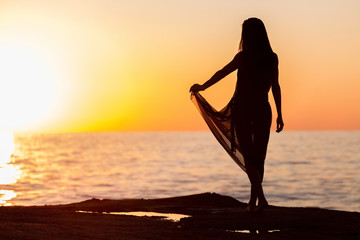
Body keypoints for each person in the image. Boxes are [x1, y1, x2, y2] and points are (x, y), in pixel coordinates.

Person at [190, 17, 284, 213]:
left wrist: (203, 87)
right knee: (258, 158)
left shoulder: (243, 57)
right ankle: (254, 201)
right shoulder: (271, 57)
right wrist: (280, 114)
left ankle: (261, 200)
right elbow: (275, 86)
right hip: (262, 109)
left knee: (251, 157)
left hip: (244, 109)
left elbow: (221, 73)